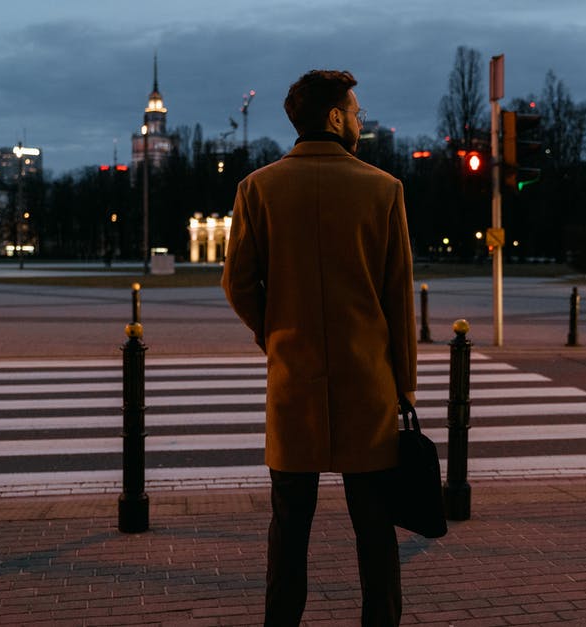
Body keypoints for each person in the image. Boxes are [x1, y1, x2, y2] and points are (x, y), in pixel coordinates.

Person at [222, 69, 417, 626]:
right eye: (354, 110)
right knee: (375, 534)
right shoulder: (383, 189)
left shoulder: (257, 189)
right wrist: (403, 382)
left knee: (288, 531)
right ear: (335, 118)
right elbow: (397, 299)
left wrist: (276, 333)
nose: (358, 119)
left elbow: (237, 283)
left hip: (295, 383)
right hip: (368, 385)